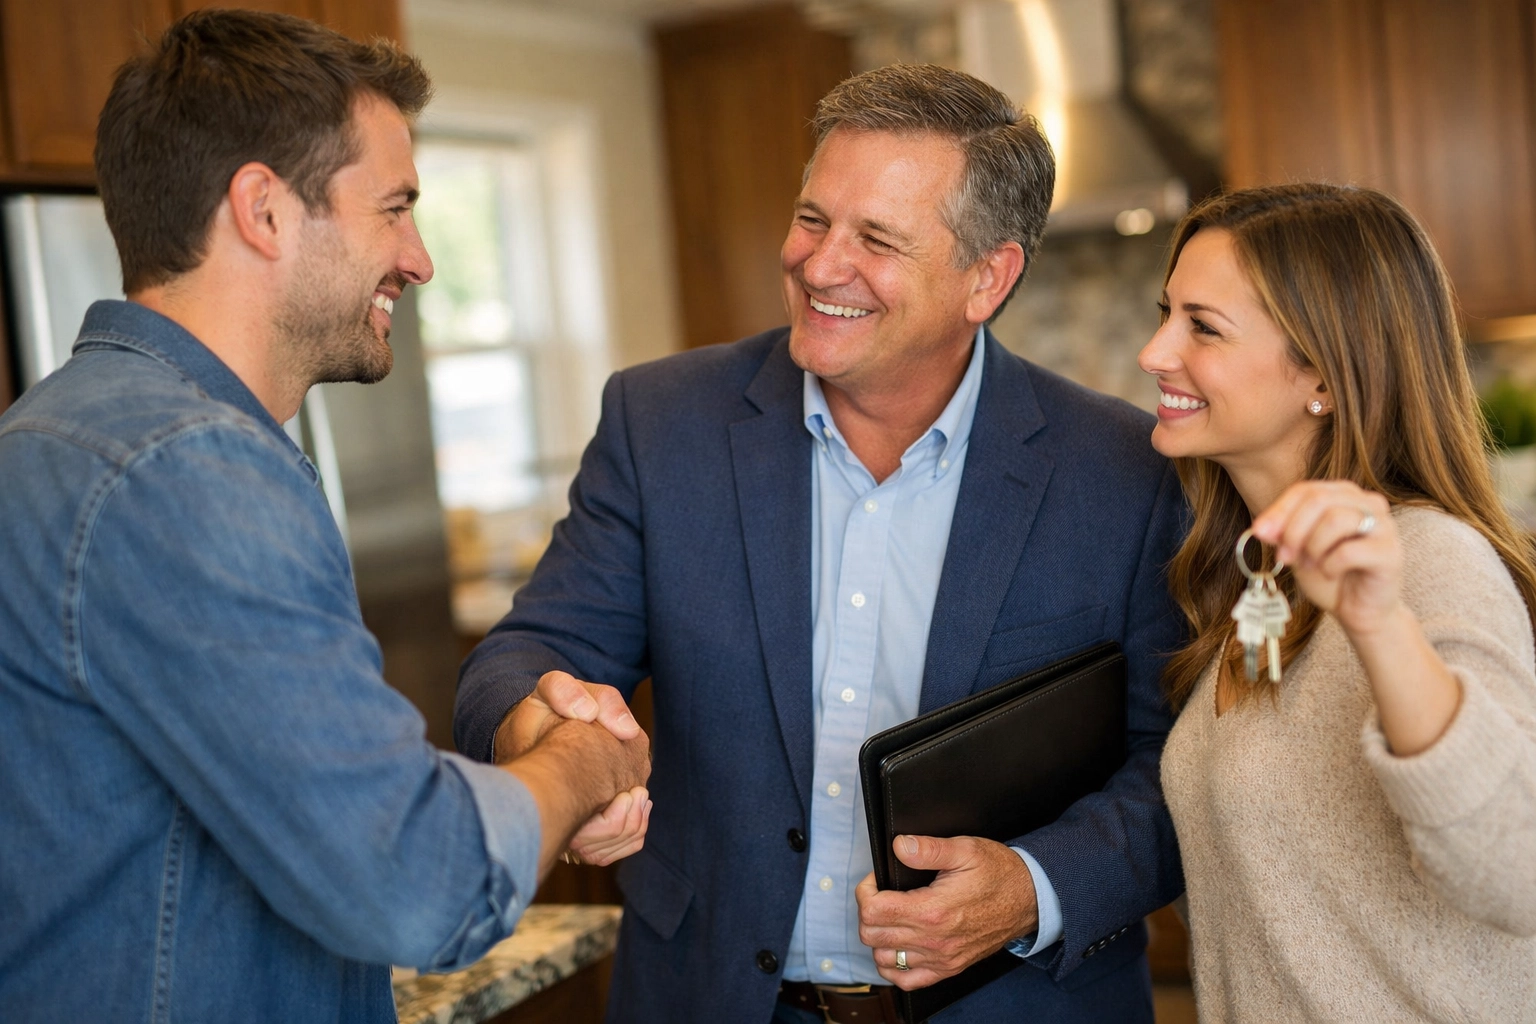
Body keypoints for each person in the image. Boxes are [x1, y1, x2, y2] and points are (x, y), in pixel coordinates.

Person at [457, 64, 1186, 1023]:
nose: (819, 263)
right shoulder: (660, 422)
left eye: (877, 239)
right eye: (813, 219)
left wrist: (1031, 886)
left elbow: (1181, 769)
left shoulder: (1127, 471)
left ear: (988, 277)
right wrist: (543, 729)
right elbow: (516, 658)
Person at [0, 11, 649, 1023]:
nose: (422, 258)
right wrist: (584, 757)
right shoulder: (187, 469)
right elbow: (415, 877)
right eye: (392, 208)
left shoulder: (48, 438)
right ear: (262, 209)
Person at [1139, 182, 1536, 1022]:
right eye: (1165, 313)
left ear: (1321, 371)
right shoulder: (1249, 580)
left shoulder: (1428, 562)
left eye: (1202, 327)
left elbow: (1520, 872)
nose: (1155, 351)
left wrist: (1379, 625)